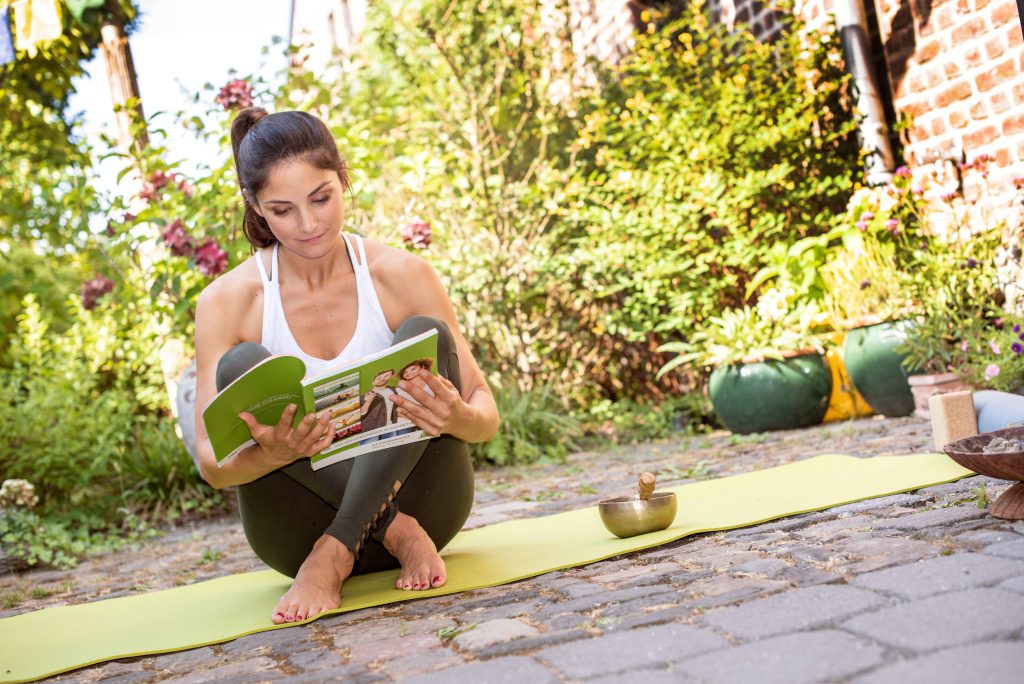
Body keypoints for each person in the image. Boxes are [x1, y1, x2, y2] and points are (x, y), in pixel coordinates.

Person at [192, 108, 499, 625]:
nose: (308, 225)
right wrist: (276, 453)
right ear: (255, 206)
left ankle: (337, 552)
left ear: (343, 179)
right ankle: (390, 530)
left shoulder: (401, 274)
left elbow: (486, 414)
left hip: (429, 504)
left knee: (427, 334)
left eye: (321, 198)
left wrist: (455, 418)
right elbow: (211, 464)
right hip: (297, 531)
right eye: (283, 210)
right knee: (241, 363)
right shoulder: (228, 301)